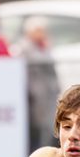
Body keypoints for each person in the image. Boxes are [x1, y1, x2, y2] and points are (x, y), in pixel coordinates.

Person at [17, 17, 62, 150]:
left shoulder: (45, 47)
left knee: (48, 125)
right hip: (33, 95)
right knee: (36, 127)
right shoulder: (24, 48)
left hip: (47, 94)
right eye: (39, 30)